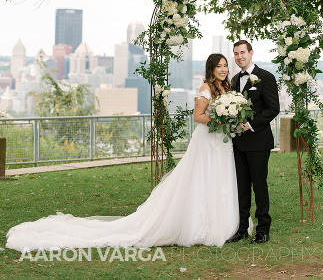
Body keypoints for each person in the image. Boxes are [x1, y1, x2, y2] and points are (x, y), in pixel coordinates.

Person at [5, 54, 239, 250]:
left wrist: (229, 117)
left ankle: (223, 223)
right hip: (207, 141)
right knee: (202, 179)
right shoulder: (206, 88)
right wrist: (220, 117)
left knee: (219, 179)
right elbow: (198, 117)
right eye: (218, 66)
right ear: (210, 69)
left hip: (221, 142)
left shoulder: (227, 87)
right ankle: (200, 225)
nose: (223, 69)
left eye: (225, 65)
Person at [226, 40, 279, 244]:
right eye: (236, 54)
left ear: (251, 53)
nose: (240, 57)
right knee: (241, 187)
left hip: (258, 142)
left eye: (243, 53)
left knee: (259, 186)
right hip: (238, 143)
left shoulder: (266, 77)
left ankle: (263, 229)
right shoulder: (232, 80)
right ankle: (241, 228)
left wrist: (251, 124)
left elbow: (273, 108)